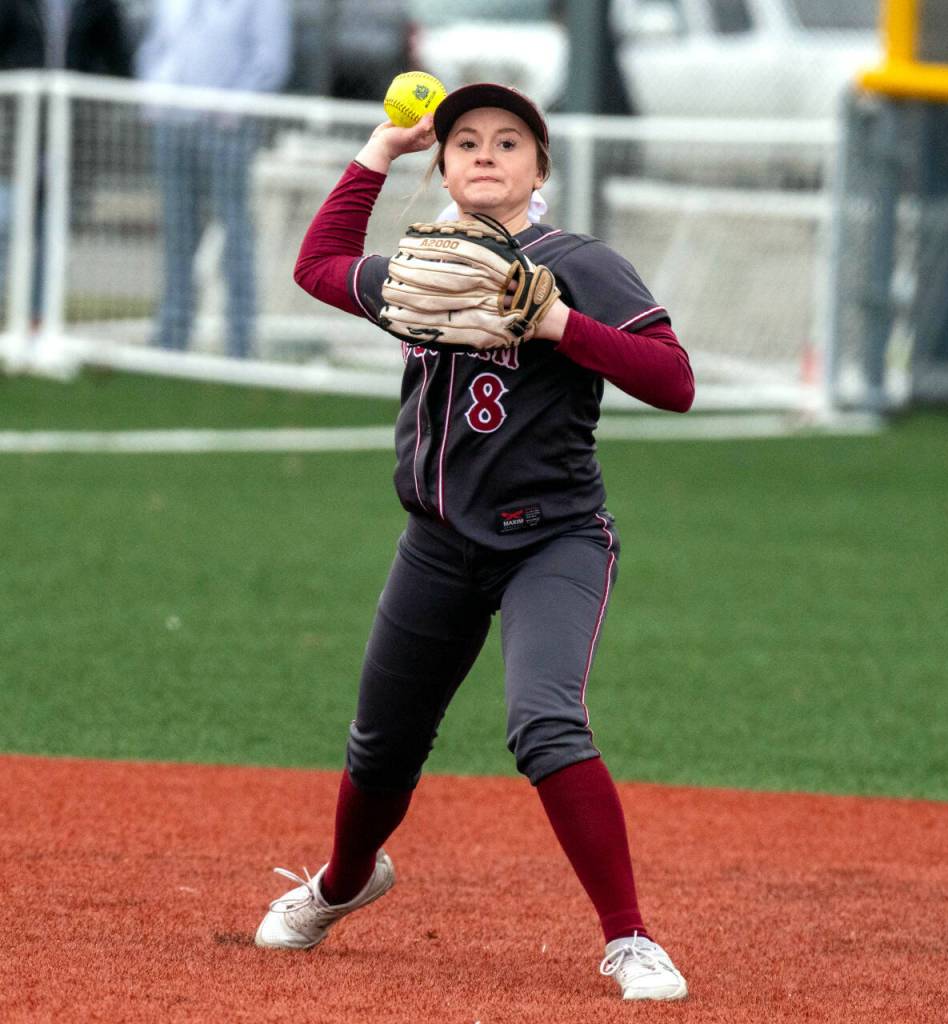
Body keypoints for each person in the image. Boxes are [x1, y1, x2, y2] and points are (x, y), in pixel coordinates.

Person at [253, 83, 695, 1002]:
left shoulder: (578, 263)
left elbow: (675, 380)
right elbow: (318, 264)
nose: (485, 154)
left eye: (508, 141)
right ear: (443, 165)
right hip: (438, 545)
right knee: (381, 746)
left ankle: (630, 941)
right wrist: (379, 151)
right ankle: (341, 883)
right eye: (463, 142)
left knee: (544, 722)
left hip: (555, 541)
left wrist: (561, 324)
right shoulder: (422, 268)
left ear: (540, 167)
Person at [134, 0, 291, 358]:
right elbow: (156, 47)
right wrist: (155, 98)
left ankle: (240, 340)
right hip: (172, 122)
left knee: (235, 232)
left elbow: (270, 61)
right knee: (177, 230)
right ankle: (172, 336)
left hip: (227, 129)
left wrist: (228, 109)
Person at [0, 0, 132, 323]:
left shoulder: (97, 7)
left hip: (72, 134)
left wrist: (91, 103)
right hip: (17, 129)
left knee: (53, 228)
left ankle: (37, 318)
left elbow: (119, 62)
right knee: (6, 221)